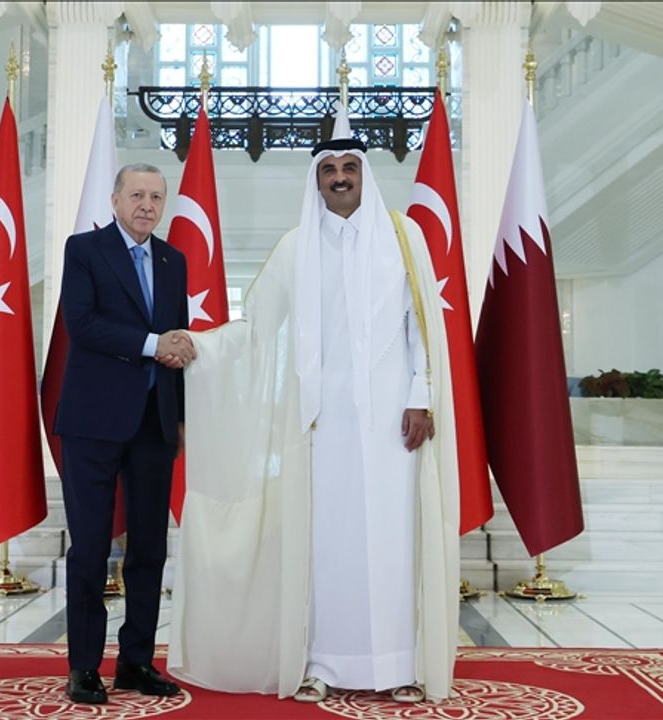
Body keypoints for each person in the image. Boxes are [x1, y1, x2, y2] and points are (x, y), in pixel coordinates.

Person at [167, 112, 461, 704]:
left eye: (350, 167)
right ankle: (322, 661)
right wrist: (199, 345)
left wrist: (421, 399)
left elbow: (423, 330)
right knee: (326, 545)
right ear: (317, 181)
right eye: (329, 169)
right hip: (321, 427)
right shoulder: (295, 248)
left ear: (366, 175)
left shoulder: (404, 238)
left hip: (393, 425)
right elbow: (257, 330)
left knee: (393, 542)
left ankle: (398, 664)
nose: (340, 177)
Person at [54, 162, 196, 705]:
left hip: (154, 425)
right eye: (136, 195)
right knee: (91, 548)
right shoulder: (84, 251)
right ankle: (84, 666)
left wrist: (180, 417)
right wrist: (154, 345)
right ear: (115, 200)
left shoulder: (173, 260)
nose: (146, 206)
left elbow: (177, 339)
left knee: (150, 549)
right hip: (93, 422)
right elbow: (82, 324)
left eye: (156, 197)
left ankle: (136, 661)